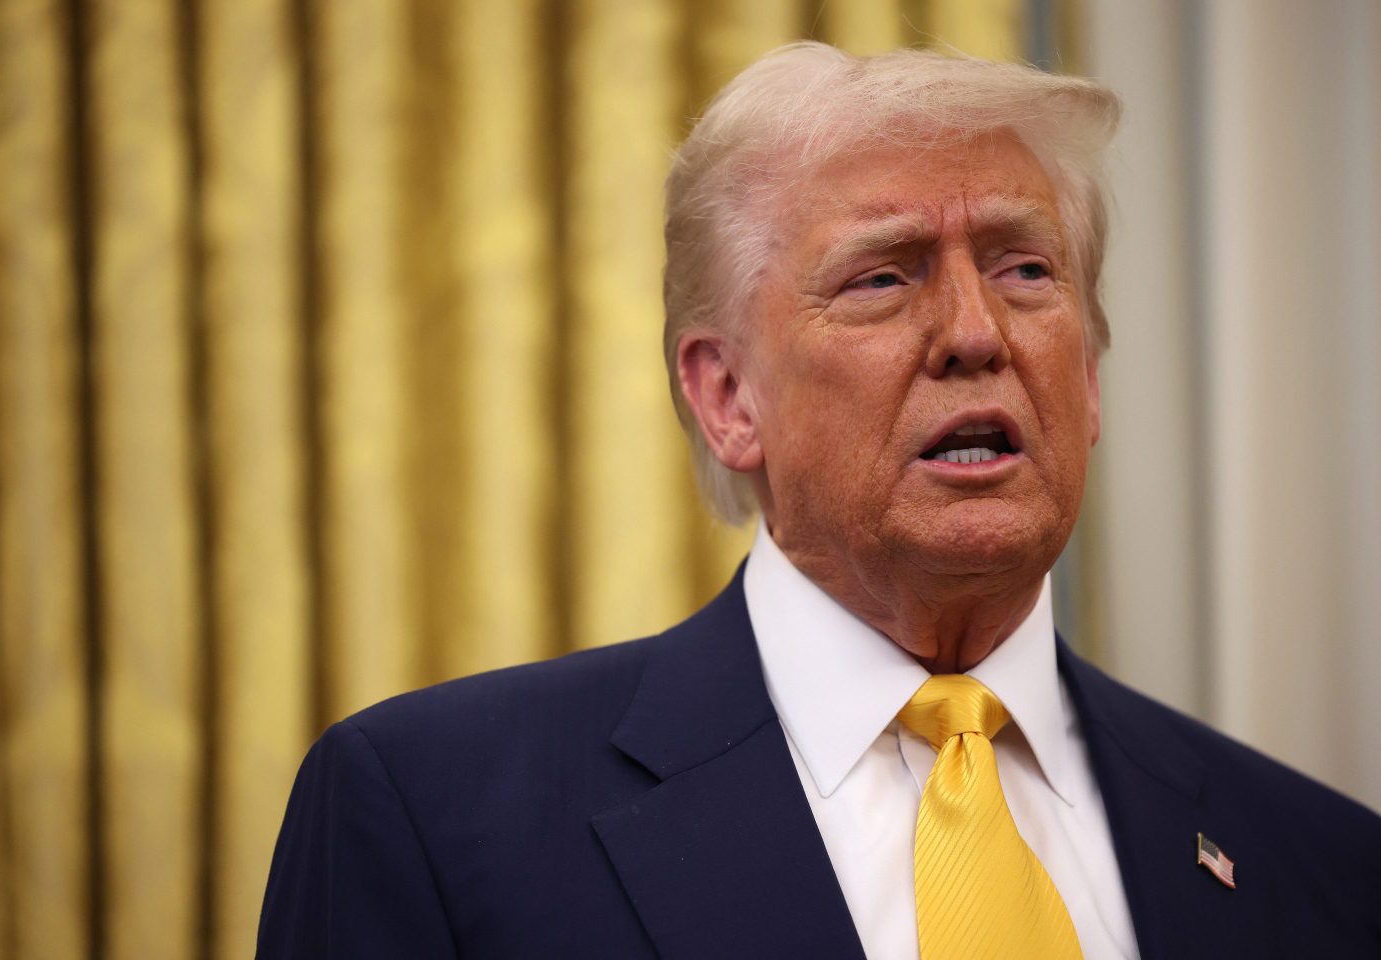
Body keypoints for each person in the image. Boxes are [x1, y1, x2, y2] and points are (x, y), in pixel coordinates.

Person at [256, 43, 1381, 958]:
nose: (977, 333)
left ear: (1086, 377)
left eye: (1025, 270)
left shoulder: (1321, 862)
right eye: (884, 275)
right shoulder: (433, 819)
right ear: (728, 395)